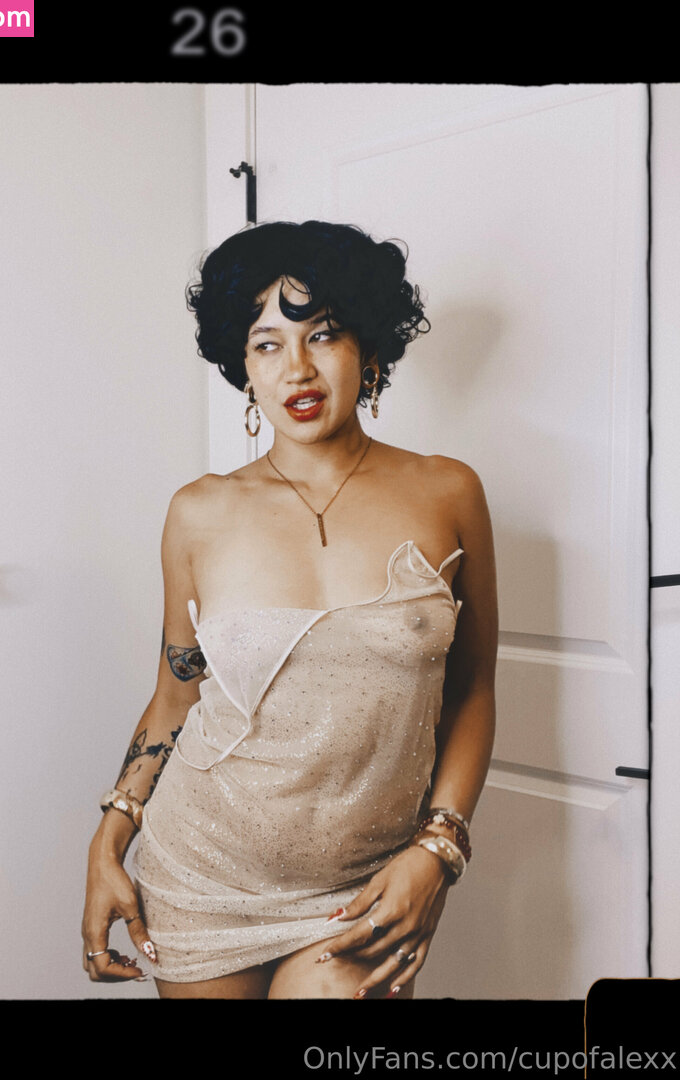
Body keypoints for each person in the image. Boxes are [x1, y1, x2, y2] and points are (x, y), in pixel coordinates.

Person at [81, 220, 498, 1000]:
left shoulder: (448, 491)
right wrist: (109, 838)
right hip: (200, 875)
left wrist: (439, 847)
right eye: (266, 344)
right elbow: (176, 695)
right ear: (242, 367)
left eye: (324, 335)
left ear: (368, 348)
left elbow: (473, 687)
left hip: (363, 886)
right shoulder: (198, 513)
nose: (297, 369)